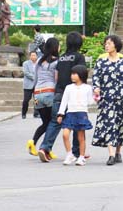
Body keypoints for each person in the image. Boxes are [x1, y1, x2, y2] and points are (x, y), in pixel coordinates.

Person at [37, 32, 86, 162]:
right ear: (79, 43)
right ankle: (76, 152)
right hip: (73, 93)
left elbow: (57, 77)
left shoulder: (62, 57)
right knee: (77, 122)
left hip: (59, 92)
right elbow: (81, 75)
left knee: (54, 122)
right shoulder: (79, 57)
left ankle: (44, 147)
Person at [91, 35, 123, 166]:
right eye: (105, 43)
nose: (106, 45)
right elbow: (95, 78)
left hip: (122, 99)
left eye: (109, 43)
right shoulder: (101, 62)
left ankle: (118, 152)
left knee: (120, 127)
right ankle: (111, 155)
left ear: (116, 45)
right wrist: (96, 88)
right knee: (109, 126)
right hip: (107, 99)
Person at [26, 38, 59, 156]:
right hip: (49, 93)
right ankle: (46, 149)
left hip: (37, 93)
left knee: (46, 123)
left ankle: (33, 142)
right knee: (53, 123)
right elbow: (56, 80)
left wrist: (34, 92)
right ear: (55, 47)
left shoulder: (39, 61)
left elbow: (35, 78)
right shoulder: (56, 62)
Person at [57, 65, 94, 166]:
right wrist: (60, 114)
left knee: (81, 137)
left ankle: (81, 157)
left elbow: (91, 102)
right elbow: (64, 101)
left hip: (81, 113)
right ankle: (70, 154)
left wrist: (96, 96)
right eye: (71, 74)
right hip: (70, 113)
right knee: (65, 134)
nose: (72, 76)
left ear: (81, 75)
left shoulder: (87, 88)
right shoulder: (68, 87)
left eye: (74, 74)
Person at [21, 51, 38, 119]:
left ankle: (36, 113)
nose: (33, 57)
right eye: (32, 55)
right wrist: (35, 77)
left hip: (37, 85)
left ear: (37, 56)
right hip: (28, 85)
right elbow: (26, 72)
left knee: (36, 100)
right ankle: (24, 113)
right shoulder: (26, 63)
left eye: (34, 55)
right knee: (26, 100)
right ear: (30, 56)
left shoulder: (39, 64)